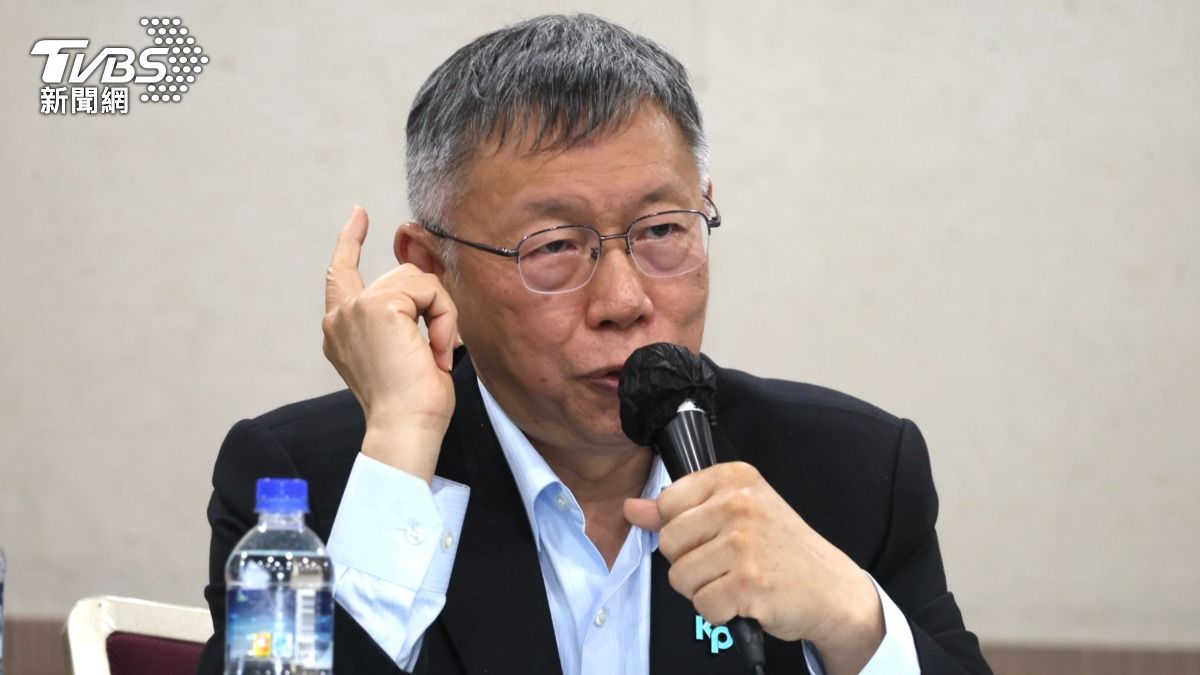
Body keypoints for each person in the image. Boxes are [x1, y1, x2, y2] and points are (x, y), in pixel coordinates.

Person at [198, 13, 991, 675]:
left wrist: (853, 617)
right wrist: (401, 446)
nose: (624, 301)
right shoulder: (309, 484)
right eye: (553, 247)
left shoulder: (850, 471)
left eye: (663, 231)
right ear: (432, 269)